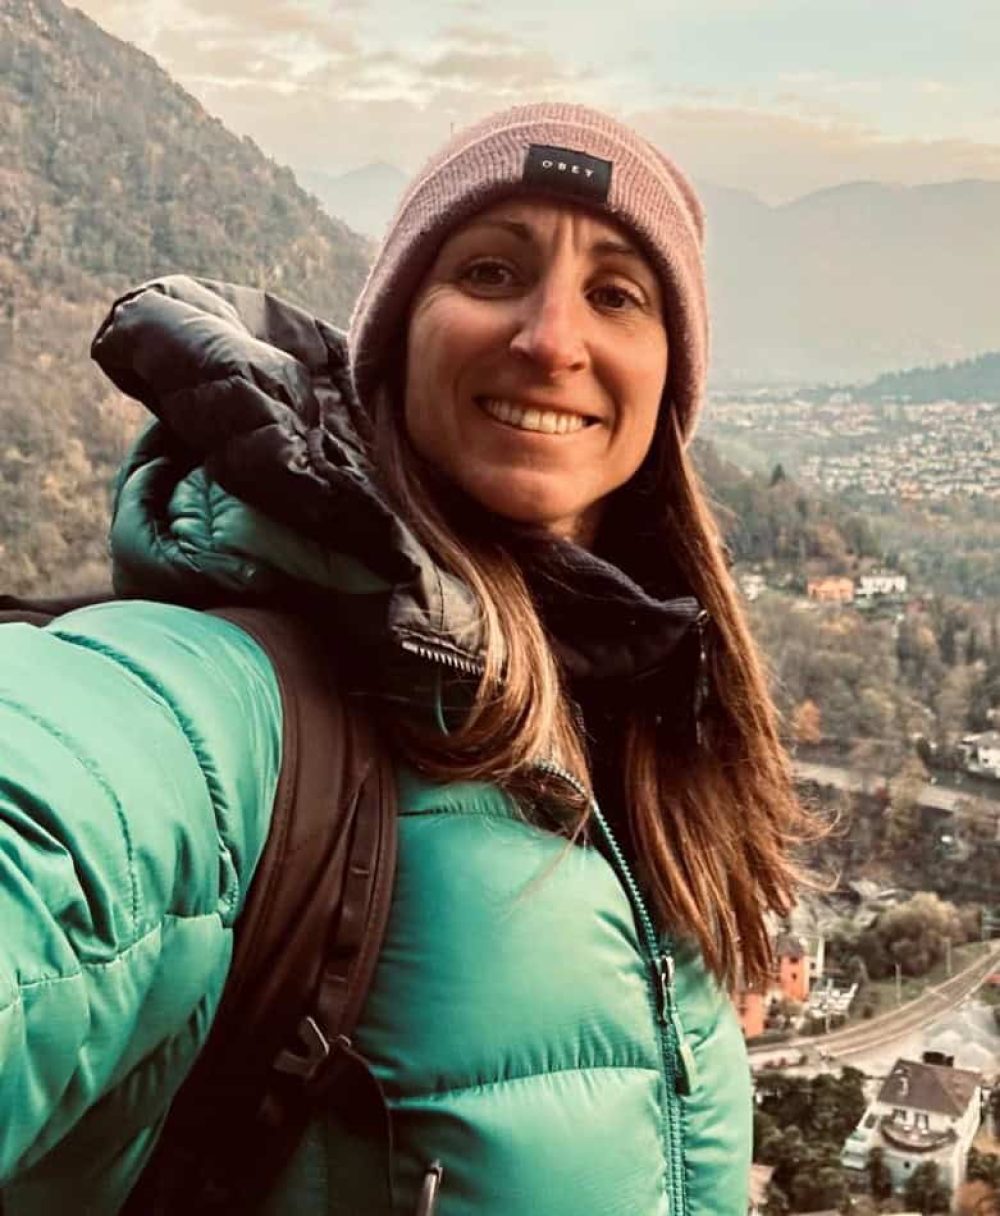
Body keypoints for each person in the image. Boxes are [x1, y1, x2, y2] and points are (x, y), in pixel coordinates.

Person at [0, 103, 813, 1215]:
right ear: (394, 340)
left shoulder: (652, 738)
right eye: (490, 272)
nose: (551, 340)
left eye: (618, 294)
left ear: (668, 380)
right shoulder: (227, 709)